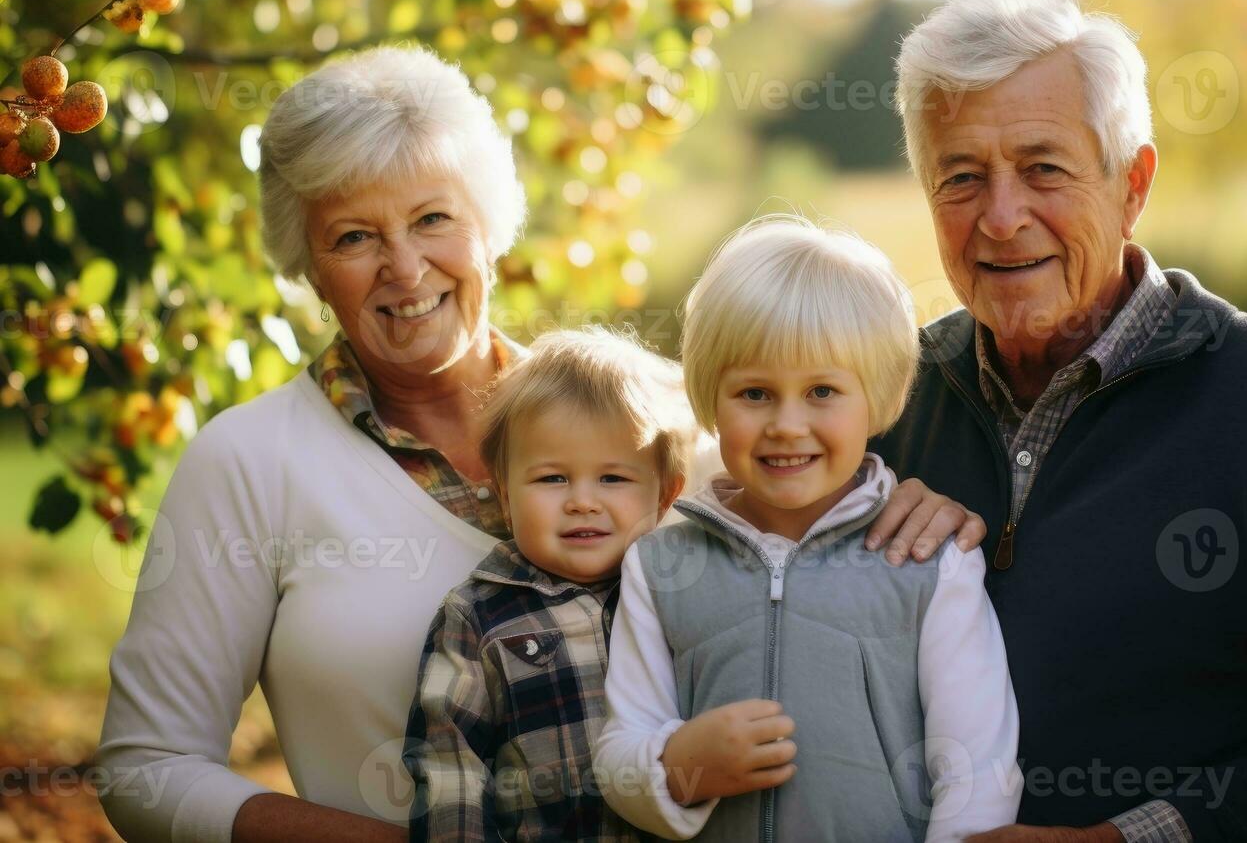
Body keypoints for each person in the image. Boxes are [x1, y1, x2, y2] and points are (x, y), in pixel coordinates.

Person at [94, 43, 979, 843]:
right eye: (355, 237)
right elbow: (146, 771)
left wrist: (896, 503)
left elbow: (809, 509)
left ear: (489, 225)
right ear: (307, 263)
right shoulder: (248, 463)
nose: (405, 269)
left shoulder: (664, 419)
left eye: (433, 219)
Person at [870, 0, 1247, 842]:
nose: (1001, 216)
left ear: (1132, 184)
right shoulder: (878, 400)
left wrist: (1125, 842)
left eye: (1044, 168)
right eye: (961, 176)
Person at [594, 216, 1022, 841]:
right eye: (755, 393)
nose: (787, 424)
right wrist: (681, 766)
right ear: (712, 399)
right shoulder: (660, 565)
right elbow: (620, 748)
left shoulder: (932, 561)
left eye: (822, 390)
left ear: (874, 397)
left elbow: (978, 773)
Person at [403, 327, 697, 842]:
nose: (583, 501)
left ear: (665, 493)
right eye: (552, 479)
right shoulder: (479, 616)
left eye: (613, 478)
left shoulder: (687, 598)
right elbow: (451, 767)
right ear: (505, 494)